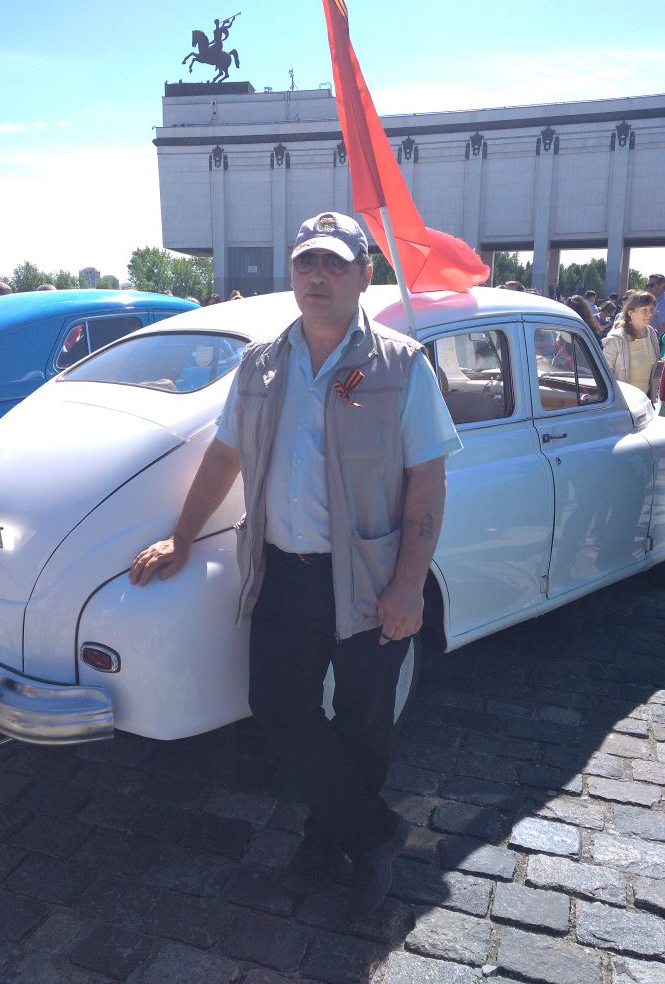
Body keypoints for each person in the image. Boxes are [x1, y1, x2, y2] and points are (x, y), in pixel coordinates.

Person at [129, 211, 461, 919]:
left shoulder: (403, 366)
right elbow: (225, 454)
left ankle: (325, 840)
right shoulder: (261, 363)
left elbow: (427, 479)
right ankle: (371, 832)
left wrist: (409, 584)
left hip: (369, 577)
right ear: (292, 273)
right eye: (307, 262)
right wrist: (183, 537)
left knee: (364, 717)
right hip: (283, 569)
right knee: (278, 705)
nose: (319, 275)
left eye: (335, 263)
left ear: (364, 276)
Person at [602, 290, 659, 399]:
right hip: (624, 401)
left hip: (645, 400)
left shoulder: (651, 334)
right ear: (630, 312)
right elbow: (605, 371)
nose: (650, 314)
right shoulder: (616, 338)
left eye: (651, 309)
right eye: (644, 310)